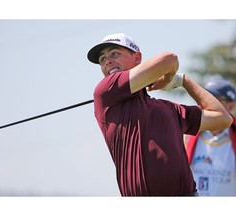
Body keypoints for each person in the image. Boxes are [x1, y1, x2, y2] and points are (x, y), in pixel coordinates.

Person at [87, 33, 233, 196]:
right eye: (102, 59)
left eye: (115, 54)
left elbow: (223, 118)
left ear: (137, 58)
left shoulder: (169, 109)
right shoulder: (105, 92)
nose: (107, 61)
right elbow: (169, 61)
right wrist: (167, 76)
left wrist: (183, 81)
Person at [185, 79, 236, 196]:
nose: (207, 103)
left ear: (231, 106)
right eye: (205, 97)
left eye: (215, 99)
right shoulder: (187, 136)